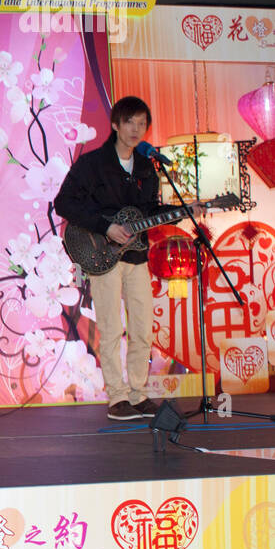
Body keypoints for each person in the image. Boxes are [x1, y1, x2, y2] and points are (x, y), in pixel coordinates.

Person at [53, 96, 199, 421]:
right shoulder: (92, 164)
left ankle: (138, 393)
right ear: (116, 125)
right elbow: (63, 203)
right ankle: (117, 398)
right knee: (111, 326)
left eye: (142, 124)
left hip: (136, 255)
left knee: (142, 326)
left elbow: (150, 213)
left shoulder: (147, 167)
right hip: (101, 253)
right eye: (130, 122)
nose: (136, 129)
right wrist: (106, 226)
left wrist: (186, 211)